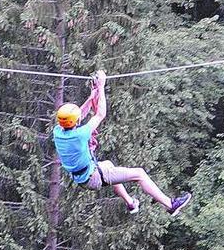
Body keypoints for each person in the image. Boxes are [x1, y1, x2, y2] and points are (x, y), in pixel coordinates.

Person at [52, 70, 192, 215]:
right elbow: (100, 114)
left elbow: (80, 114)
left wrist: (92, 96)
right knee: (140, 174)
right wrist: (101, 86)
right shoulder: (80, 135)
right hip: (93, 178)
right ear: (74, 121)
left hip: (83, 177)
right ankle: (170, 205)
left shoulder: (58, 131)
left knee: (108, 165)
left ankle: (131, 203)